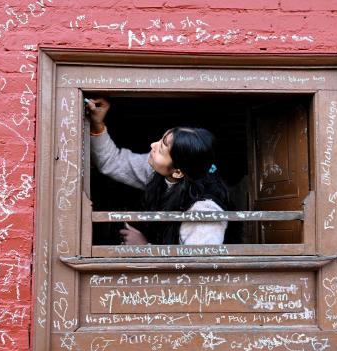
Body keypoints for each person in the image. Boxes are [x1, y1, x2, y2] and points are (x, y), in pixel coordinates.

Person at [86, 97, 233, 245]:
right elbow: (113, 162)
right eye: (160, 139)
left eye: (162, 148)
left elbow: (198, 265)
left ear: (178, 172)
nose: (152, 145)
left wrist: (144, 247)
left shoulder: (205, 210)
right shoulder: (161, 172)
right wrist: (97, 124)